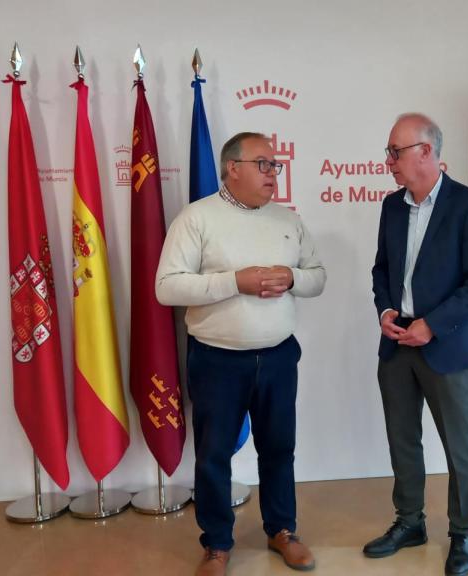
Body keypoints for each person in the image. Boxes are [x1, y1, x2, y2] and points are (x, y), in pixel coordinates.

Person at [156, 132, 326, 576]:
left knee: (279, 448)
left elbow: (318, 276)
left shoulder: (288, 220)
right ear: (233, 168)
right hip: (217, 360)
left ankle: (282, 531)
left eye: (275, 166)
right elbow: (167, 286)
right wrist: (236, 281)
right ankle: (216, 545)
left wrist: (290, 277)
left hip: (278, 357)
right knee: (213, 454)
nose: (273, 173)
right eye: (264, 164)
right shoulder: (196, 219)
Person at [365, 113, 468, 576]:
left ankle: (462, 534)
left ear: (426, 152)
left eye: (395, 152)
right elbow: (382, 270)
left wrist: (433, 325)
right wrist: (385, 311)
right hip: (396, 341)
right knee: (403, 439)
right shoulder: (391, 207)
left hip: (447, 344)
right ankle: (410, 522)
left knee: (459, 446)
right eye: (389, 152)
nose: (388, 162)